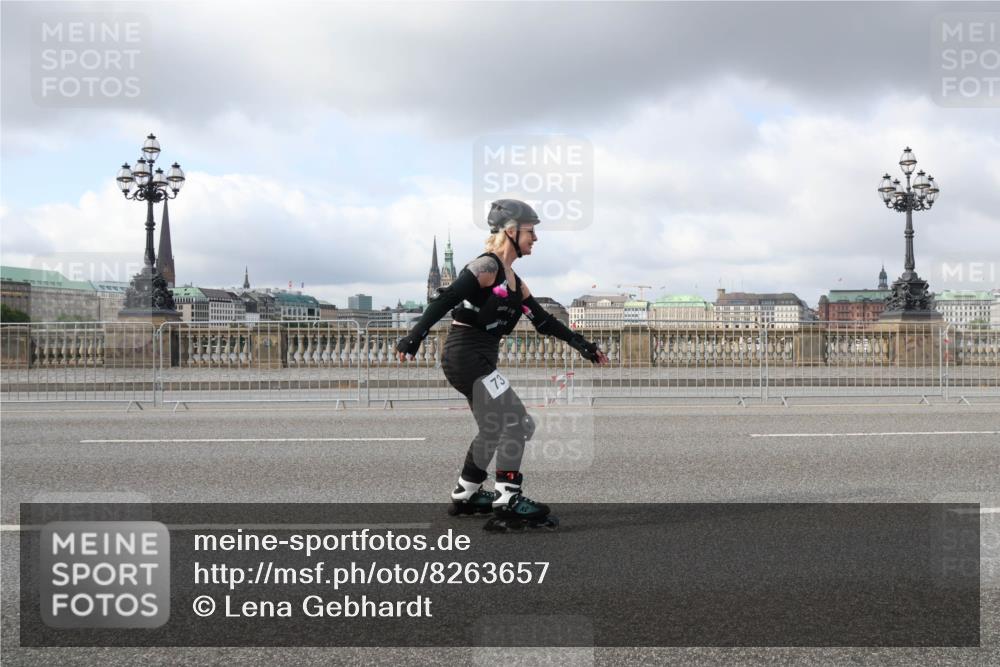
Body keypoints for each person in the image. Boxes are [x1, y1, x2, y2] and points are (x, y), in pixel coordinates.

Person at [395, 199, 609, 530]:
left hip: (475, 360)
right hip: (467, 358)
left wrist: (585, 347)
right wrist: (414, 337)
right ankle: (507, 497)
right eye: (531, 231)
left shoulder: (513, 280)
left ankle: (465, 494)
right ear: (511, 231)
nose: (535, 237)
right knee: (518, 424)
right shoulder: (486, 267)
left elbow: (544, 321)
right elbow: (447, 299)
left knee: (494, 427)